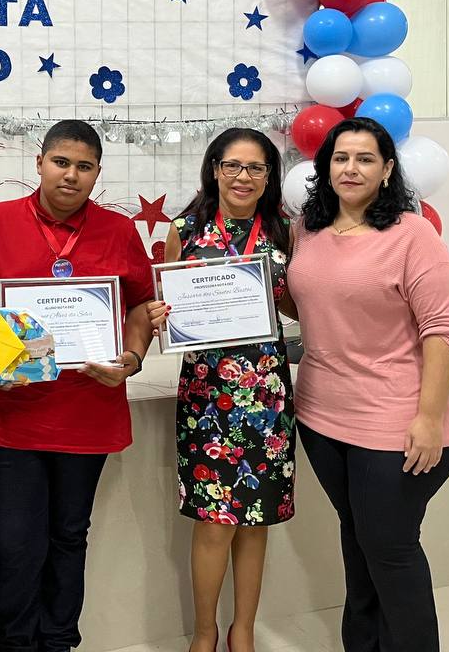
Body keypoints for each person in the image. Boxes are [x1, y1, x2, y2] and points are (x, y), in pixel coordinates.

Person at [0, 119, 156, 652]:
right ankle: (13, 643)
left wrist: (131, 359)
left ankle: (59, 641)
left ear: (97, 173)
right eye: (61, 162)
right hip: (12, 416)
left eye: (84, 166)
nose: (71, 175)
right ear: (40, 163)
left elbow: (140, 303)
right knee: (14, 543)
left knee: (70, 536)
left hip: (88, 413)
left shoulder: (119, 230)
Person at [286, 117, 449, 652]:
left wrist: (429, 418)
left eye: (365, 159)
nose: (351, 168)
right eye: (340, 158)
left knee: (389, 549)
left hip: (395, 419)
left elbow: (442, 329)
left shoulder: (413, 235)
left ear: (387, 170)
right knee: (359, 540)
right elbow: (310, 304)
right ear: (325, 167)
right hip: (321, 415)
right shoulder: (308, 228)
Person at [146, 128, 297, 652]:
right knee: (214, 523)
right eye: (233, 165)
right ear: (214, 169)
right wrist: (162, 314)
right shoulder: (184, 230)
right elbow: (167, 306)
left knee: (256, 521)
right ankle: (205, 631)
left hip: (267, 396)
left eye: (256, 168)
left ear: (269, 177)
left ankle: (244, 630)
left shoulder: (283, 230)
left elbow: (296, 304)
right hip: (207, 398)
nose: (243, 177)